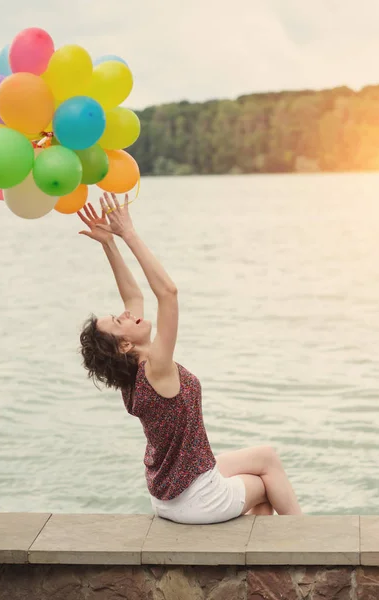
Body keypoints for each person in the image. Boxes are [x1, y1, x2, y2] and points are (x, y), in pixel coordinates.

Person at [78, 192, 302, 524]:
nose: (126, 313)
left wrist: (108, 244)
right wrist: (129, 234)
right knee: (263, 481)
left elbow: (134, 294)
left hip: (171, 491)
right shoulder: (156, 368)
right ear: (124, 345)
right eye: (118, 320)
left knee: (265, 457)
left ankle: (261, 552)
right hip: (196, 499)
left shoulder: (134, 372)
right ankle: (307, 538)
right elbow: (167, 293)